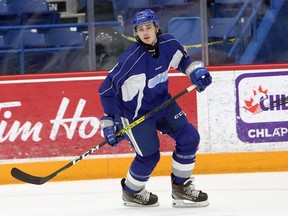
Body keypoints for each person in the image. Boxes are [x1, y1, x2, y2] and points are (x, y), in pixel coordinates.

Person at [98, 9, 212, 207]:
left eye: (148, 27)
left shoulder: (169, 43)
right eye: (140, 29)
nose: (145, 32)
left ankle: (181, 187)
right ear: (136, 33)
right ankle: (132, 192)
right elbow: (106, 89)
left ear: (156, 28)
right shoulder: (130, 59)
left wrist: (196, 71)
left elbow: (184, 61)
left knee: (189, 138)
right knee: (150, 156)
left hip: (163, 104)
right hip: (135, 114)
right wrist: (109, 119)